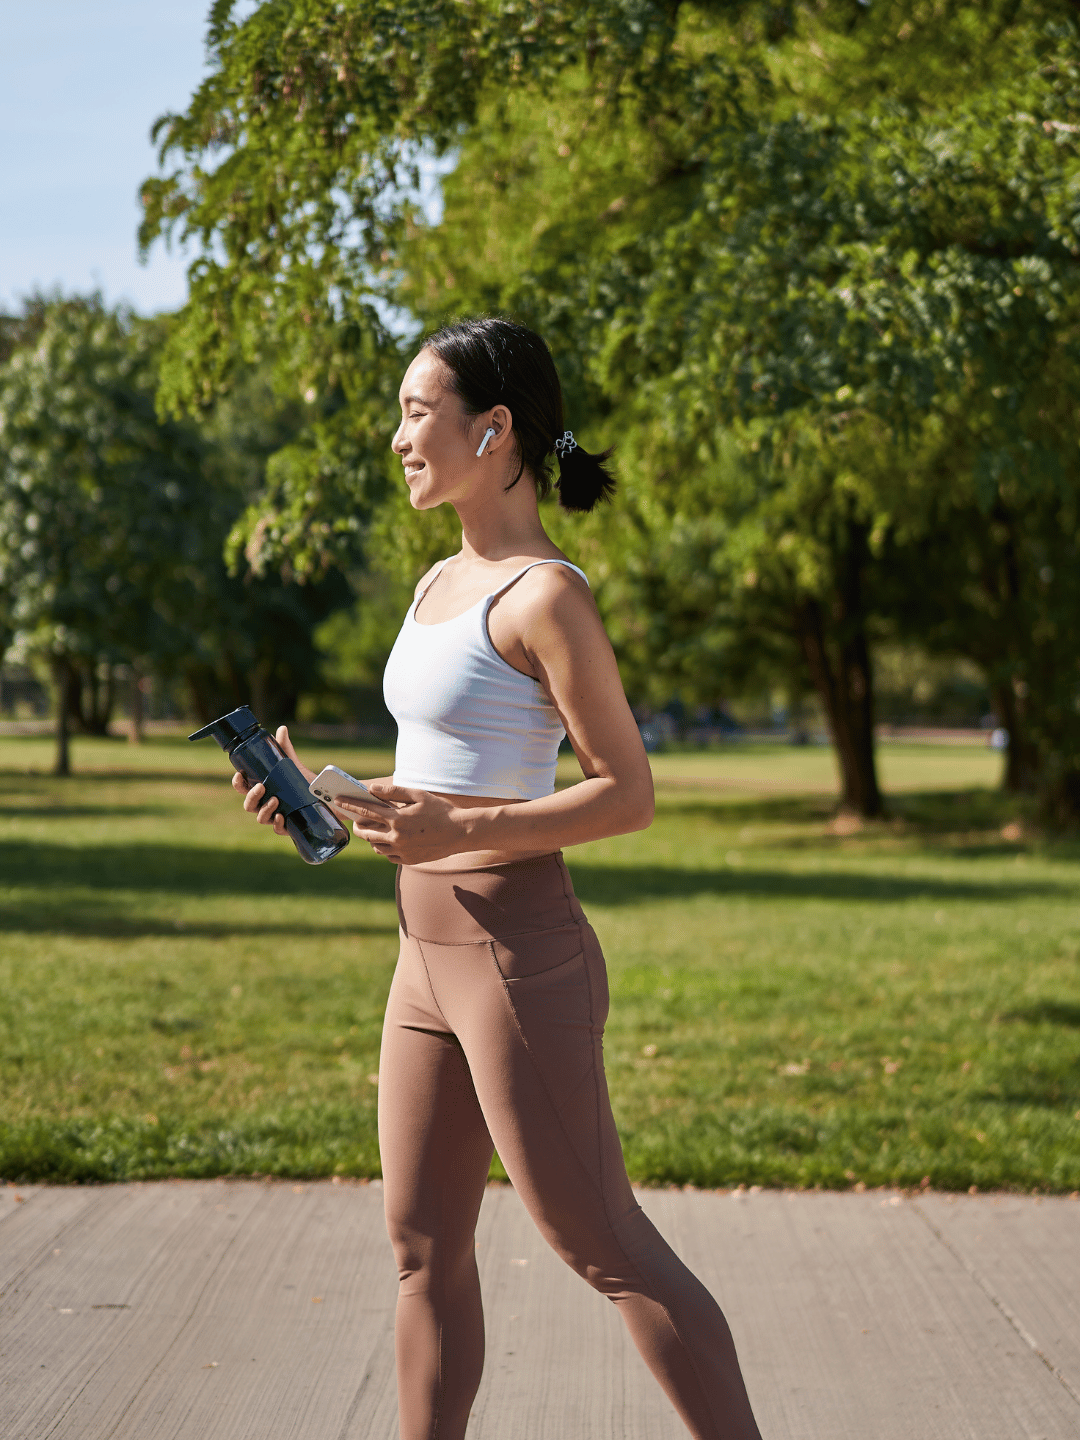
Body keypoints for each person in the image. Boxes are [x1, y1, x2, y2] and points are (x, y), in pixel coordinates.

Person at [234, 318, 763, 1440]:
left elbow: (628, 792)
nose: (398, 439)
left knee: (604, 1245)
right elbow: (438, 780)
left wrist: (458, 824)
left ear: (495, 428)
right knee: (422, 1251)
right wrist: (322, 801)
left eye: (418, 414)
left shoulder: (546, 597)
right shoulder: (436, 582)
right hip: (422, 961)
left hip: (519, 960)